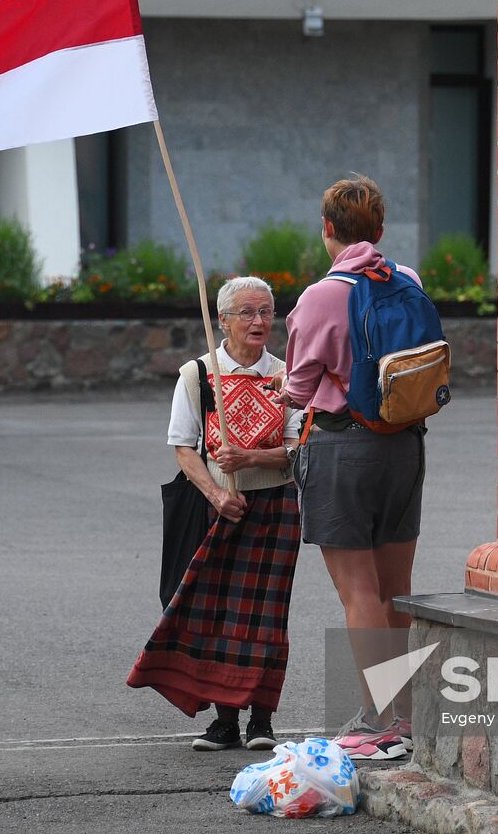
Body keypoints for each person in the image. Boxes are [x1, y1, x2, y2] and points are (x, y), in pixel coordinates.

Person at [283, 175, 425, 762]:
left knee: (358, 590)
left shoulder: (320, 297)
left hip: (343, 448)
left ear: (327, 229)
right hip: (405, 444)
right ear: (380, 230)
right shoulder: (407, 280)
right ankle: (406, 715)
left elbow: (298, 389)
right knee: (396, 589)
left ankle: (376, 720)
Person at [127, 276, 302, 752]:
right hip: (218, 507)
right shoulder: (198, 375)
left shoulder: (288, 376)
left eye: (266, 311)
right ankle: (224, 722)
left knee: (267, 617)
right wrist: (216, 493)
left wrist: (251, 458)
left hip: (275, 507)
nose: (259, 321)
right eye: (247, 312)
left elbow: (297, 449)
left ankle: (261, 721)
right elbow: (183, 447)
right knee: (219, 614)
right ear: (222, 320)